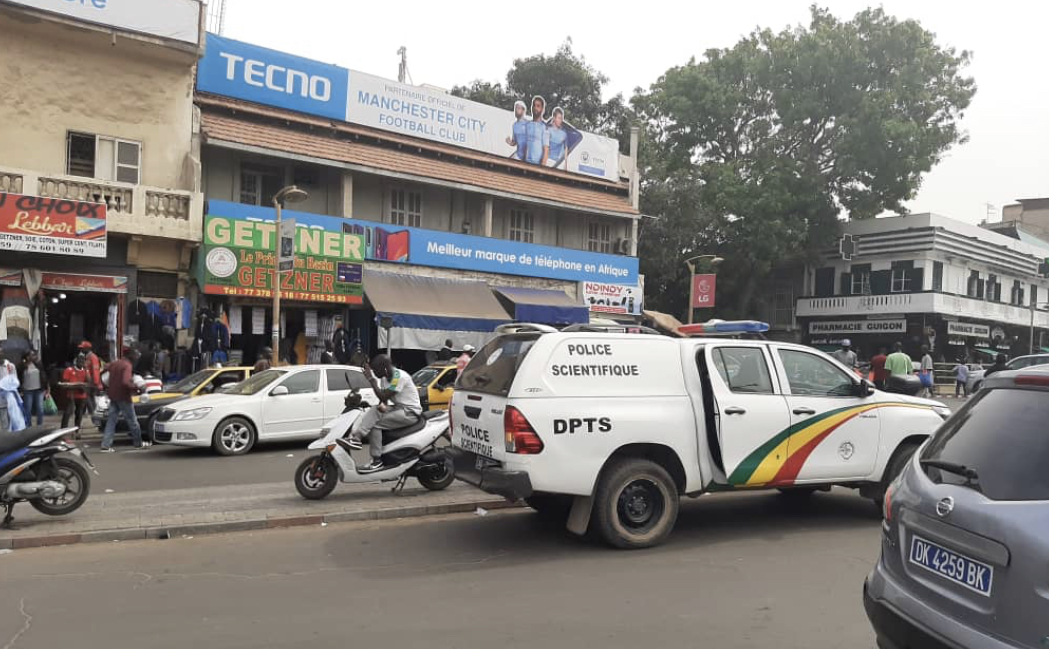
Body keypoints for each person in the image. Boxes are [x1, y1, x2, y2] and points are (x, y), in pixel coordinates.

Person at [348, 354, 423, 473]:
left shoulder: (399, 377)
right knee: (374, 410)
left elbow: (384, 395)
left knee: (375, 424)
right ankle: (356, 437)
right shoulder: (384, 378)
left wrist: (371, 381)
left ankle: (377, 460)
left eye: (376, 370)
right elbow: (383, 400)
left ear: (384, 368)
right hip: (398, 408)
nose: (374, 373)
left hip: (410, 412)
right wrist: (379, 408)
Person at [101, 348, 147, 452]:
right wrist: (136, 387)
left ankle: (105, 445)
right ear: (130, 355)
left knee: (111, 421)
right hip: (124, 397)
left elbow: (105, 369)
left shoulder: (115, 363)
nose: (137, 358)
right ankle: (138, 443)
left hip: (113, 396)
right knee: (132, 421)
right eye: (135, 355)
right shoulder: (127, 365)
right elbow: (125, 382)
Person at [17, 350, 46, 428]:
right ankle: (28, 426)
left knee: (40, 409)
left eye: (34, 355)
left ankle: (40, 425)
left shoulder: (38, 364)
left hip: (39, 389)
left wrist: (46, 387)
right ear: (27, 357)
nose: (34, 356)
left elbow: (43, 375)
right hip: (28, 390)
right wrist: (20, 389)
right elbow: (19, 377)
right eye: (32, 355)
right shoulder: (22, 366)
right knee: (28, 409)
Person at [62, 354, 90, 432]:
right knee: (67, 413)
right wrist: (77, 386)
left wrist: (86, 370)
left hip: (81, 396)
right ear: (76, 361)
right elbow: (65, 384)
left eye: (83, 361)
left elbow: (89, 383)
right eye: (80, 361)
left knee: (79, 414)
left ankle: (77, 431)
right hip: (71, 395)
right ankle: (63, 431)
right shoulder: (69, 370)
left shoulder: (85, 371)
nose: (81, 362)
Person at [78, 341, 103, 421]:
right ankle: (95, 417)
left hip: (92, 384)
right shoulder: (87, 357)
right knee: (89, 400)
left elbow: (95, 371)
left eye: (82, 348)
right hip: (88, 383)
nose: (81, 349)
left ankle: (95, 417)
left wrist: (94, 383)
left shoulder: (93, 357)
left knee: (89, 400)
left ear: (87, 348)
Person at [0, 349, 21, 433]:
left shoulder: (10, 366)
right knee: (4, 423)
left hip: (10, 400)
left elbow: (15, 381)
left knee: (14, 422)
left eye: (1, 352)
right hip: (1, 402)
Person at [524, 95, 547, 165]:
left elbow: (546, 149)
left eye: (538, 106)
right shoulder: (527, 125)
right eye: (533, 105)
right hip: (525, 164)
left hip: (537, 165)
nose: (535, 108)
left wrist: (542, 168)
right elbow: (525, 145)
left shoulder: (544, 127)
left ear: (542, 109)